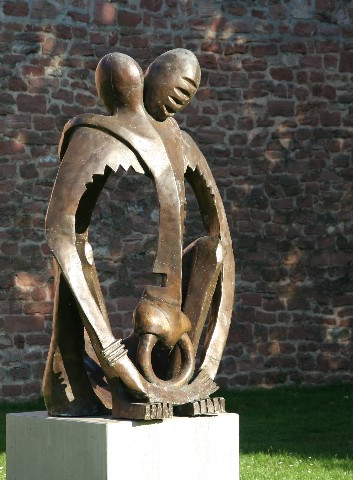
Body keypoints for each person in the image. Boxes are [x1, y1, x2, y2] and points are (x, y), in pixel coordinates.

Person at [43, 50, 234, 420]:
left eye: (191, 90)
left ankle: (171, 374)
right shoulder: (93, 135)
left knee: (211, 252)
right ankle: (78, 385)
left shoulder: (182, 143)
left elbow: (221, 236)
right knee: (77, 253)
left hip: (170, 326)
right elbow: (61, 231)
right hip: (115, 351)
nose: (185, 93)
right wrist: (113, 356)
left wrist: (208, 365)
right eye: (181, 84)